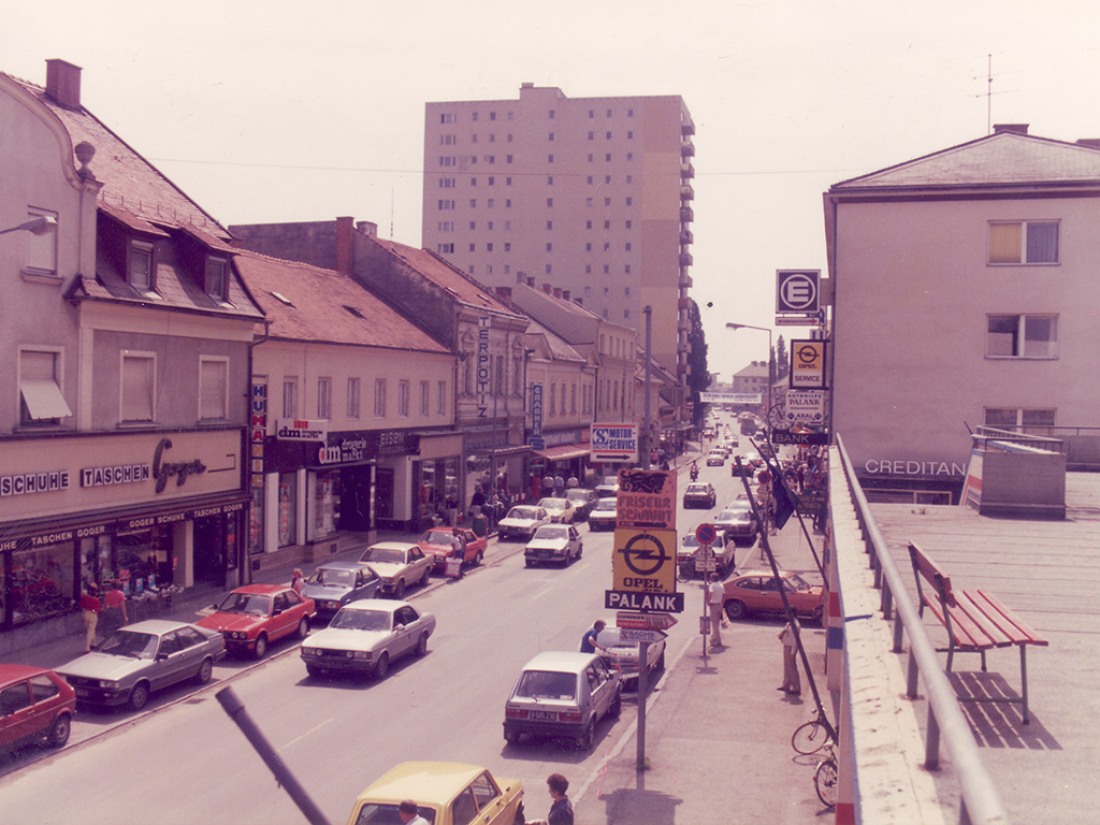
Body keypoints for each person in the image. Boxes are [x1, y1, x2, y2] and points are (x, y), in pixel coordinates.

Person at [778, 617, 801, 695]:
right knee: (787, 666)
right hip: (786, 645)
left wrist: (792, 653)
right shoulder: (789, 623)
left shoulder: (796, 625)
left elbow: (795, 640)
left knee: (791, 667)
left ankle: (796, 687)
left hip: (791, 647)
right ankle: (786, 684)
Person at [79, 583, 101, 653]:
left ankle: (94, 643)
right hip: (92, 614)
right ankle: (87, 647)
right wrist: (93, 610)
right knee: (91, 630)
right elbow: (97, 609)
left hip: (86, 613)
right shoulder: (96, 600)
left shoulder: (85, 597)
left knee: (90, 629)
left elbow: (81, 604)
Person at [708, 573, 725, 648]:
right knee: (717, 623)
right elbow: (723, 595)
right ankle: (713, 638)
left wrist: (708, 602)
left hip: (714, 605)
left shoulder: (712, 585)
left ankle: (718, 641)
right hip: (719, 605)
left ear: (712, 579)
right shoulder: (721, 585)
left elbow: (710, 593)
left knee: (714, 624)